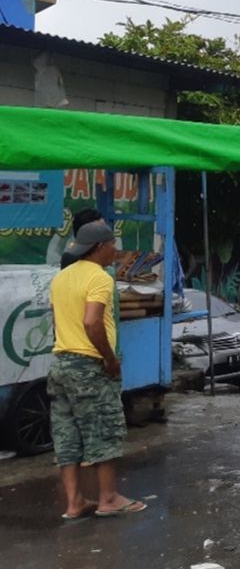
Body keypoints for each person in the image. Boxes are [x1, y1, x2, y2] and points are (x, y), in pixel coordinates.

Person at [47, 220, 146, 519]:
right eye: (112, 244)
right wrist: (109, 359)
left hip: (61, 363)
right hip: (89, 365)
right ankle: (109, 498)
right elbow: (92, 322)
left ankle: (74, 503)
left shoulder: (61, 278)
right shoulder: (100, 278)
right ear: (99, 247)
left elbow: (56, 323)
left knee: (67, 435)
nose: (116, 250)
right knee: (104, 430)